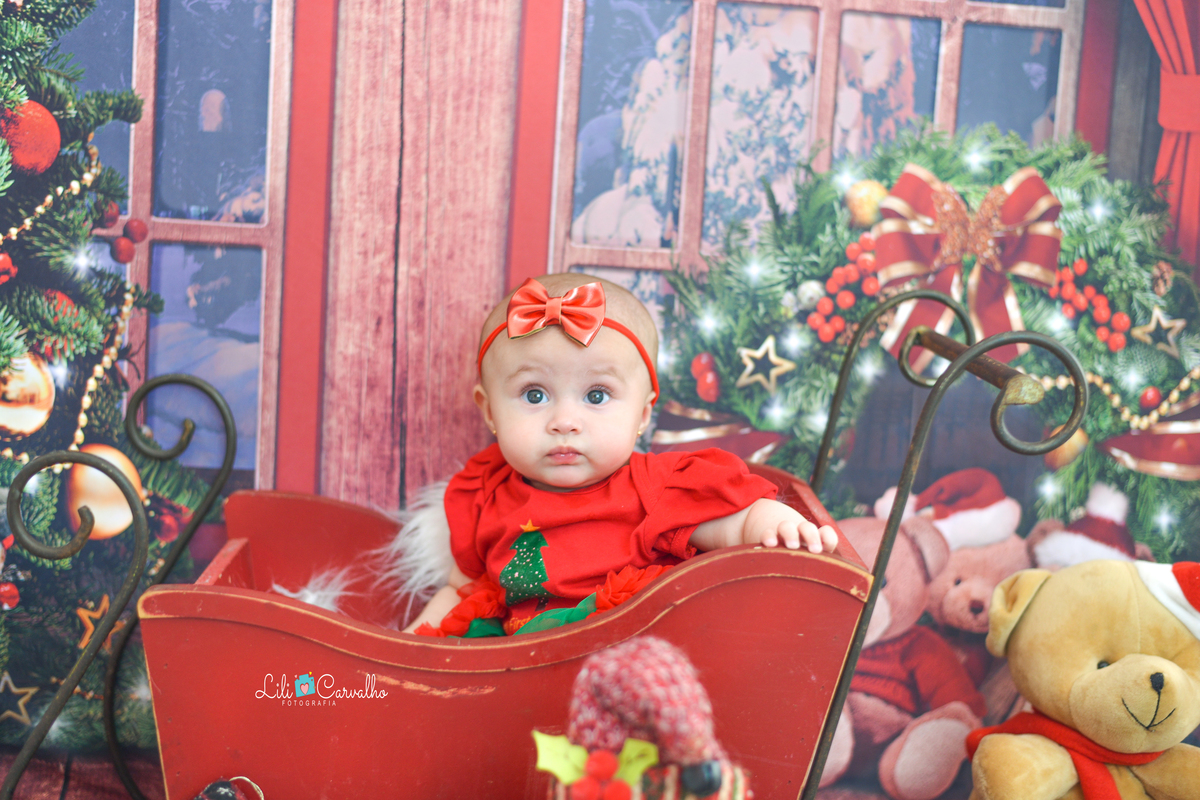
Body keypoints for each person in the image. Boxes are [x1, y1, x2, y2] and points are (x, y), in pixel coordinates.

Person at [404, 273, 837, 636]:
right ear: (490, 410)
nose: (565, 420)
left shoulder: (656, 488)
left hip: (622, 658)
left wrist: (769, 524)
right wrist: (410, 647)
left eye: (597, 394)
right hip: (521, 671)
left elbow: (727, 521)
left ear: (643, 413)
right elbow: (462, 589)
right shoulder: (484, 492)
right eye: (534, 394)